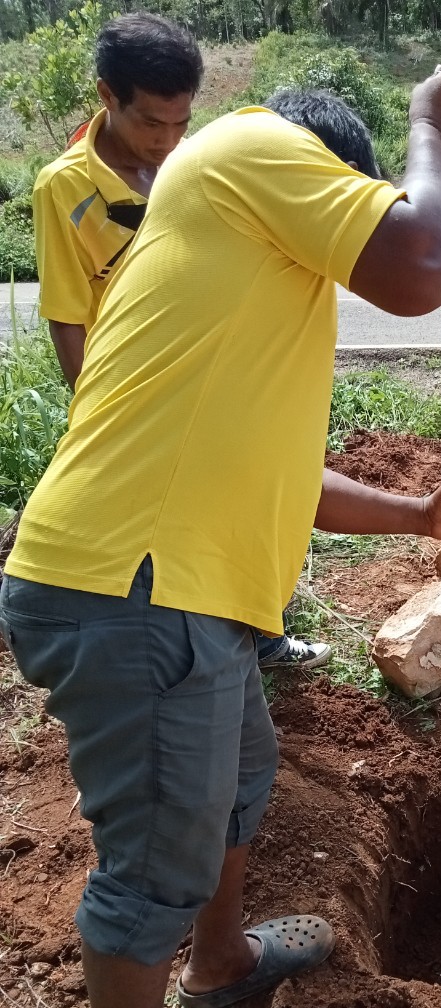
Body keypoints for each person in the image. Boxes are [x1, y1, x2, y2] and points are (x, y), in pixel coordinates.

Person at [0, 64, 441, 1008]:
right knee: (156, 860)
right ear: (329, 173)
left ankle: (220, 964)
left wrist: (414, 514)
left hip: (183, 596)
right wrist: (433, 135)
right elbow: (421, 261)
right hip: (135, 591)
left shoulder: (236, 266)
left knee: (244, 774)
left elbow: (283, 469)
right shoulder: (253, 147)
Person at [32, 12, 329, 671]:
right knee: (171, 537)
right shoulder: (66, 188)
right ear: (108, 96)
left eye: (180, 124)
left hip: (221, 372)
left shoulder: (188, 167)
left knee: (252, 495)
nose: (166, 142)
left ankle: (264, 628)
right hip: (142, 394)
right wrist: (103, 416)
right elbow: (67, 317)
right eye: (149, 124)